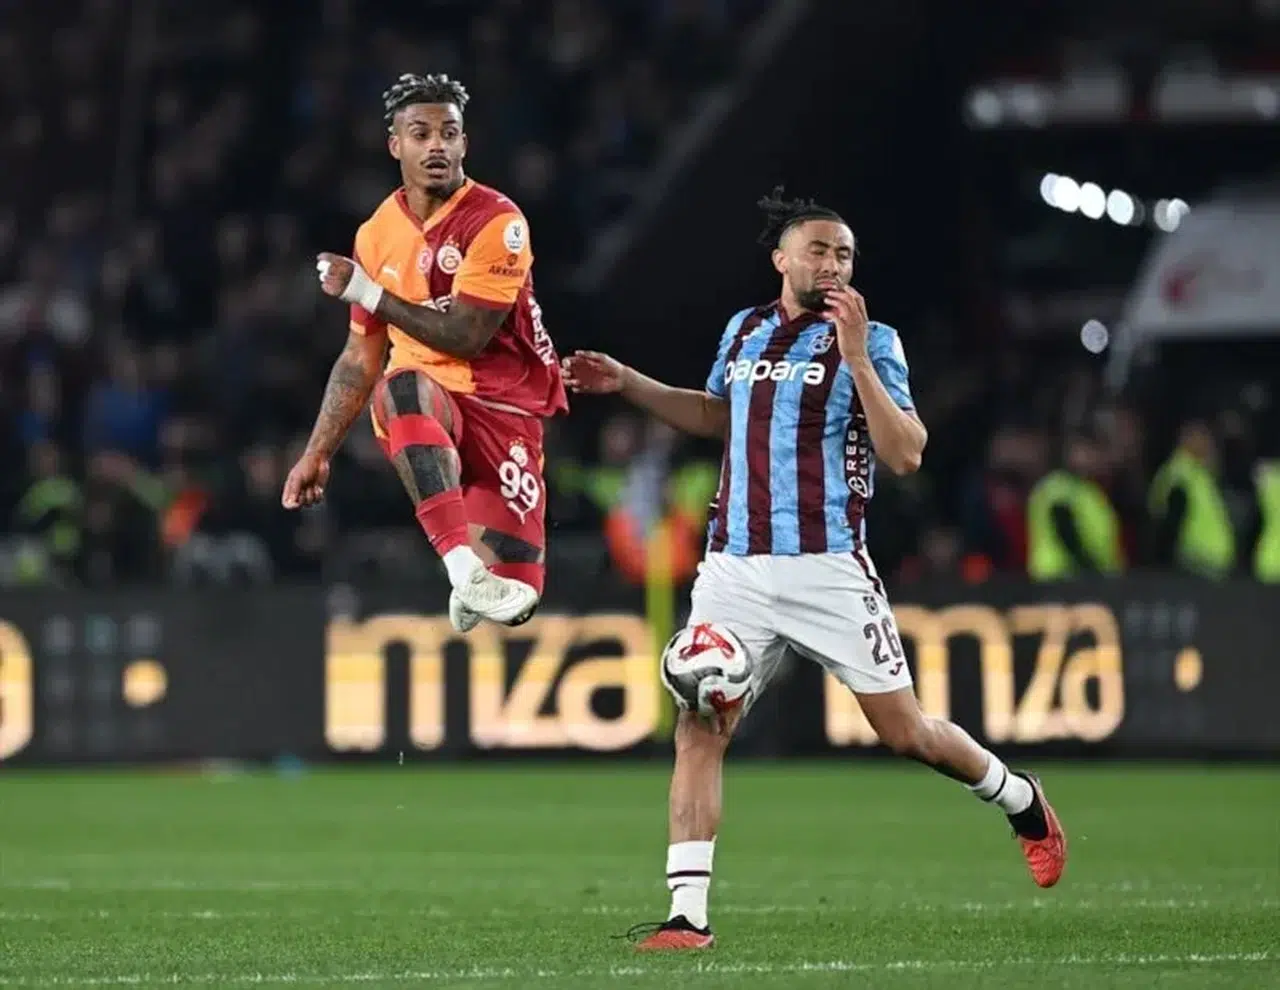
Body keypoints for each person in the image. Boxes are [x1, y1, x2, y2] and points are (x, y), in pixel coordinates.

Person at [563, 188, 1067, 952]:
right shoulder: (744, 329)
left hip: (826, 566)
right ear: (782, 259)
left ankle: (1019, 798)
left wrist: (858, 357)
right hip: (734, 564)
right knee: (700, 723)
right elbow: (717, 416)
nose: (833, 264)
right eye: (820, 250)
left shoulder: (875, 342)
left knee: (907, 733)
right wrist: (630, 383)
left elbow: (906, 453)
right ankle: (687, 916)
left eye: (845, 255)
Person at [282, 74, 567, 631]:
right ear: (396, 145)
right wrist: (317, 452)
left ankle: (478, 574)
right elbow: (360, 357)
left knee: (519, 601)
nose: (436, 145)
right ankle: (462, 566)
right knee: (402, 386)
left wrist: (367, 292)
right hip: (431, 403)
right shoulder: (375, 235)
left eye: (448, 133)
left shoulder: (498, 221)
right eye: (420, 134)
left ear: (465, 143)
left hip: (504, 409)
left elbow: (466, 336)